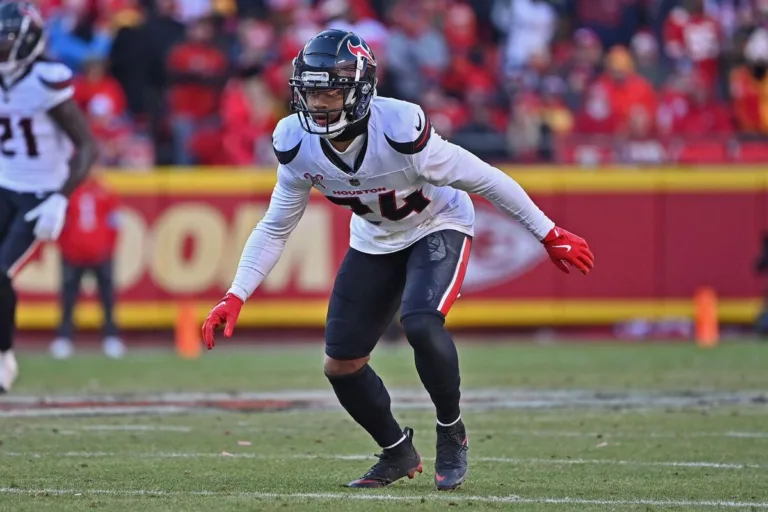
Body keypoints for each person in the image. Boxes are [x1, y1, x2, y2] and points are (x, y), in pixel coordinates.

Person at [202, 30, 594, 491]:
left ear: (360, 90)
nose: (318, 103)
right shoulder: (295, 142)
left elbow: (485, 178)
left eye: (330, 91)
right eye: (310, 91)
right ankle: (396, 451)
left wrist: (548, 232)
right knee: (340, 364)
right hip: (375, 239)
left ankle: (451, 430)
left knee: (421, 323)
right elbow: (275, 226)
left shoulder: (399, 129)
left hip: (438, 223)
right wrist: (236, 294)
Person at [0, 1, 98, 392]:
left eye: (6, 42)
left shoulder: (45, 80)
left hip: (39, 194)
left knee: (0, 273)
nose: (2, 50)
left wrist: (60, 197)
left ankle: (4, 357)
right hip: (4, 186)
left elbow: (87, 146)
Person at [50, 171, 124, 360]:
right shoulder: (69, 191)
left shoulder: (106, 191)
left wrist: (108, 248)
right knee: (68, 298)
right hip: (73, 254)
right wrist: (65, 248)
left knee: (107, 297)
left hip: (100, 254)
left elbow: (115, 222)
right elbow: (60, 221)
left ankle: (111, 337)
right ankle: (64, 338)